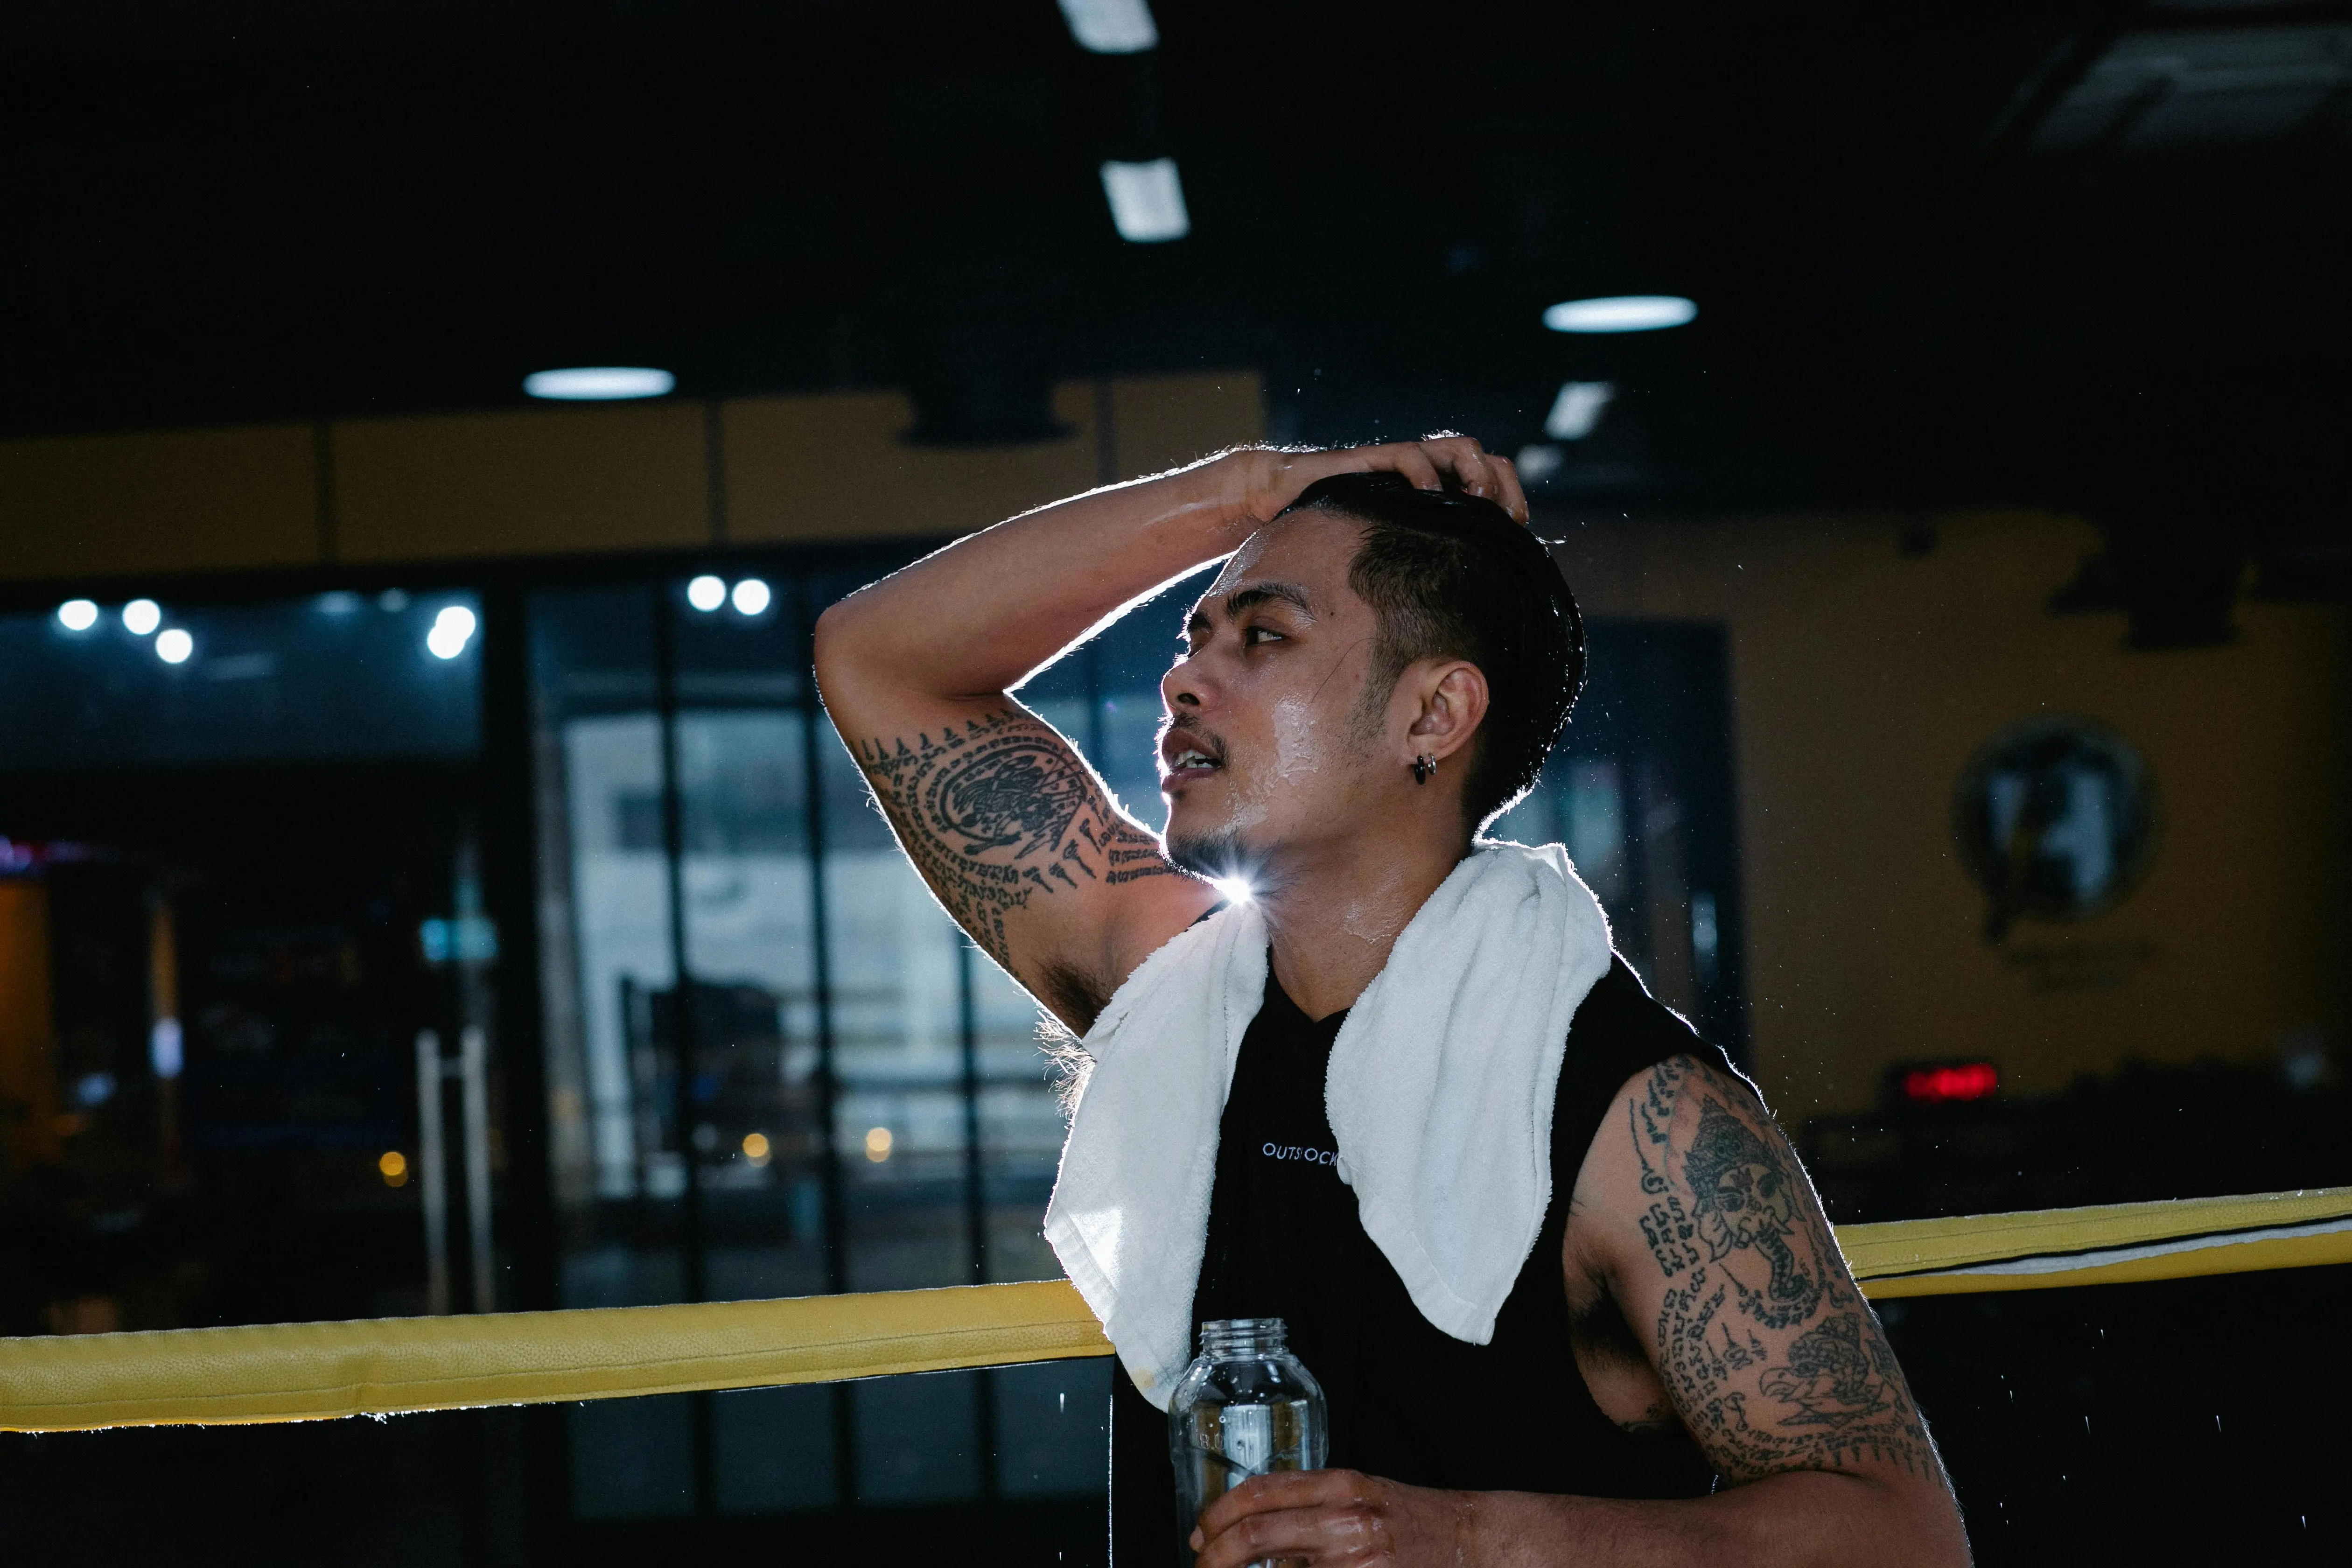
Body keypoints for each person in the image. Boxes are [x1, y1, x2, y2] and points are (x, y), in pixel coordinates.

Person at [812, 436, 1969, 1567]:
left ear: (1434, 717)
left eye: (1263, 634)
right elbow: (875, 656)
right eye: (1194, 637)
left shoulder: (1641, 1119)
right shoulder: (1177, 989)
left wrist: (1466, 1539)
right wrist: (1250, 489)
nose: (1182, 676)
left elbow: (1902, 1535)